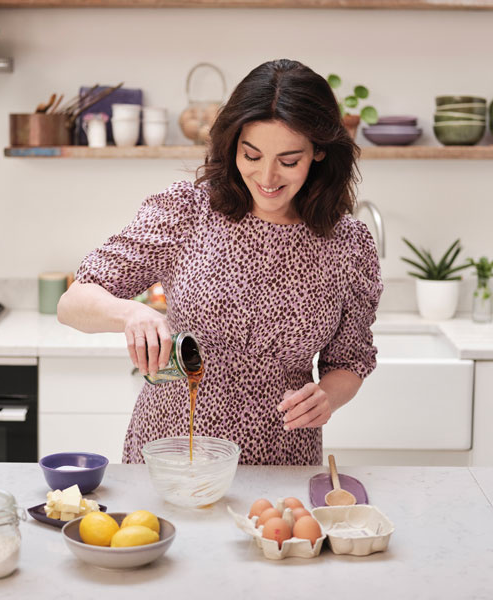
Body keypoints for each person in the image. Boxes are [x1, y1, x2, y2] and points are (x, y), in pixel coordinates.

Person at [57, 59, 383, 466]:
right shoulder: (188, 212)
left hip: (281, 460)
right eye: (252, 155)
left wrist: (328, 397)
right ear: (233, 146)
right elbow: (72, 304)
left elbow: (349, 362)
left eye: (288, 160)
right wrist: (130, 314)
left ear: (319, 152)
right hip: (172, 453)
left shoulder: (347, 244)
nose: (267, 176)